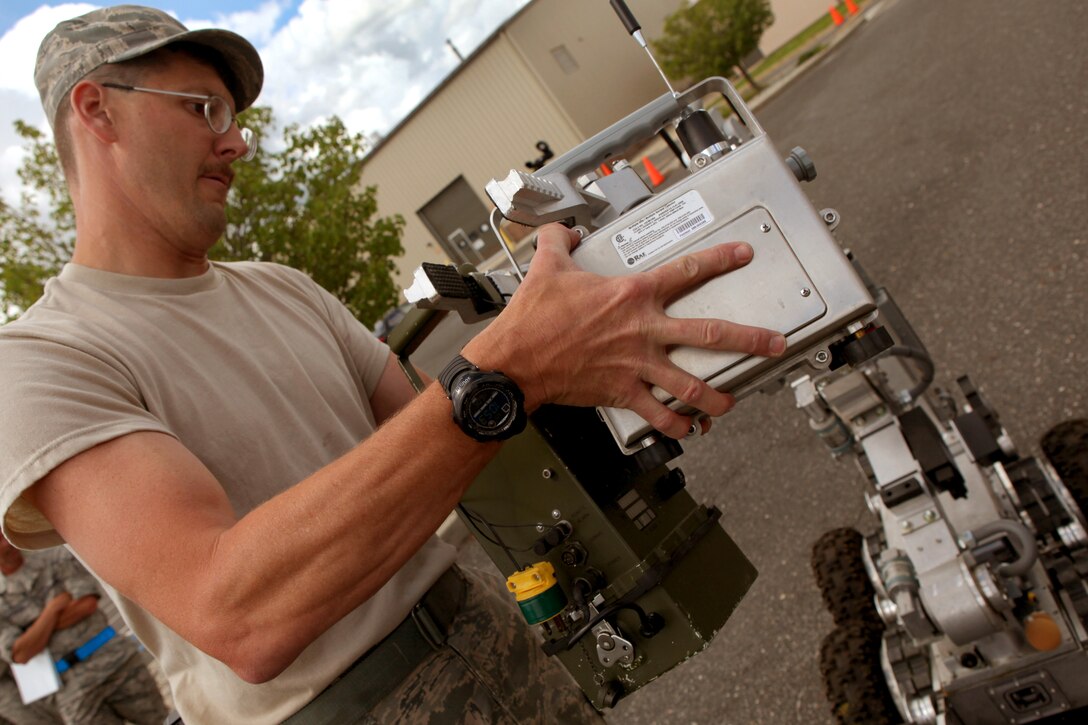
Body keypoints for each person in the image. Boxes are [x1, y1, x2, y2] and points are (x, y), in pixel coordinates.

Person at [0, 5, 787, 723]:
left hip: (494, 645)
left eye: (235, 116)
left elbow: (455, 444)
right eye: (203, 109)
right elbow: (239, 611)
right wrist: (508, 367)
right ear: (97, 108)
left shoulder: (282, 288)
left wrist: (612, 338)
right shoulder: (41, 362)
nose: (235, 140)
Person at [0, 538, 166, 724]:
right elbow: (20, 654)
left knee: (162, 721)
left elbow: (86, 604)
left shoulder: (57, 558)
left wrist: (32, 632)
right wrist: (52, 610)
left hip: (116, 663)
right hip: (71, 691)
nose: (6, 543)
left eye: (4, 535)